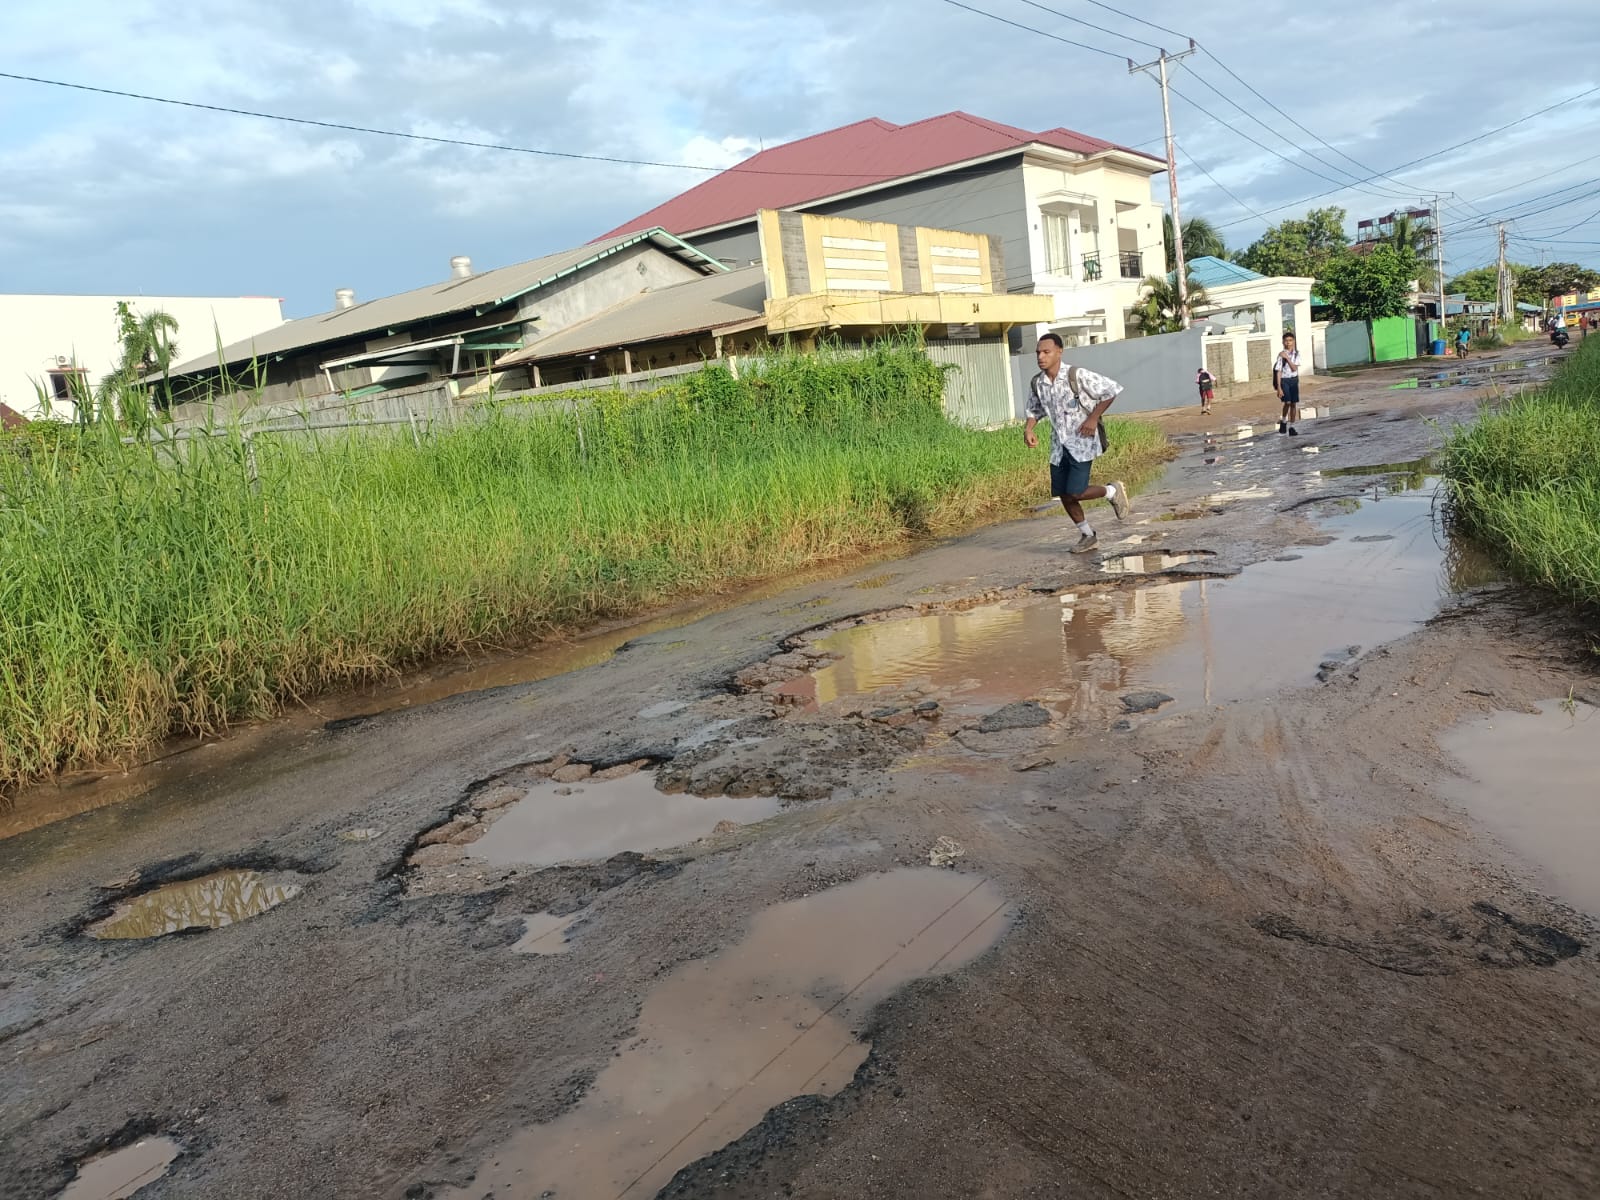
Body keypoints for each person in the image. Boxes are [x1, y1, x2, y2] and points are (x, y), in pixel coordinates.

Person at [1023, 333, 1129, 555]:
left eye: (1046, 352)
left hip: (1082, 441)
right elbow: (1035, 409)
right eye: (1038, 353)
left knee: (1076, 491)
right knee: (1063, 493)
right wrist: (1029, 428)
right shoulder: (1038, 383)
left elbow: (1111, 390)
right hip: (1058, 446)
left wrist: (1092, 418)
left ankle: (1112, 491)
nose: (1041, 357)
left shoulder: (1076, 375)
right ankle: (1088, 535)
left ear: (1059, 352)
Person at [1273, 332, 1302, 437]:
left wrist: (1288, 358)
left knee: (1294, 403)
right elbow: (1278, 371)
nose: (1288, 343)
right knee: (1287, 402)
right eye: (1286, 341)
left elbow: (1294, 368)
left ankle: (1292, 426)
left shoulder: (1297, 354)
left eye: (1290, 340)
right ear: (1283, 342)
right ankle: (1284, 421)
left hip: (1294, 380)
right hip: (1284, 380)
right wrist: (1279, 388)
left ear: (1293, 341)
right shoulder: (1281, 355)